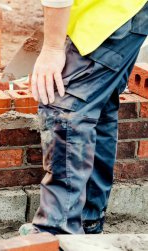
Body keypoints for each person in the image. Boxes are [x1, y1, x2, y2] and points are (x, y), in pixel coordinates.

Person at [20, 0, 148, 235]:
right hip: (127, 9)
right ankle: (88, 221)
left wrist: (52, 48)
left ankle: (58, 232)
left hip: (106, 15)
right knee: (98, 107)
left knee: (65, 110)